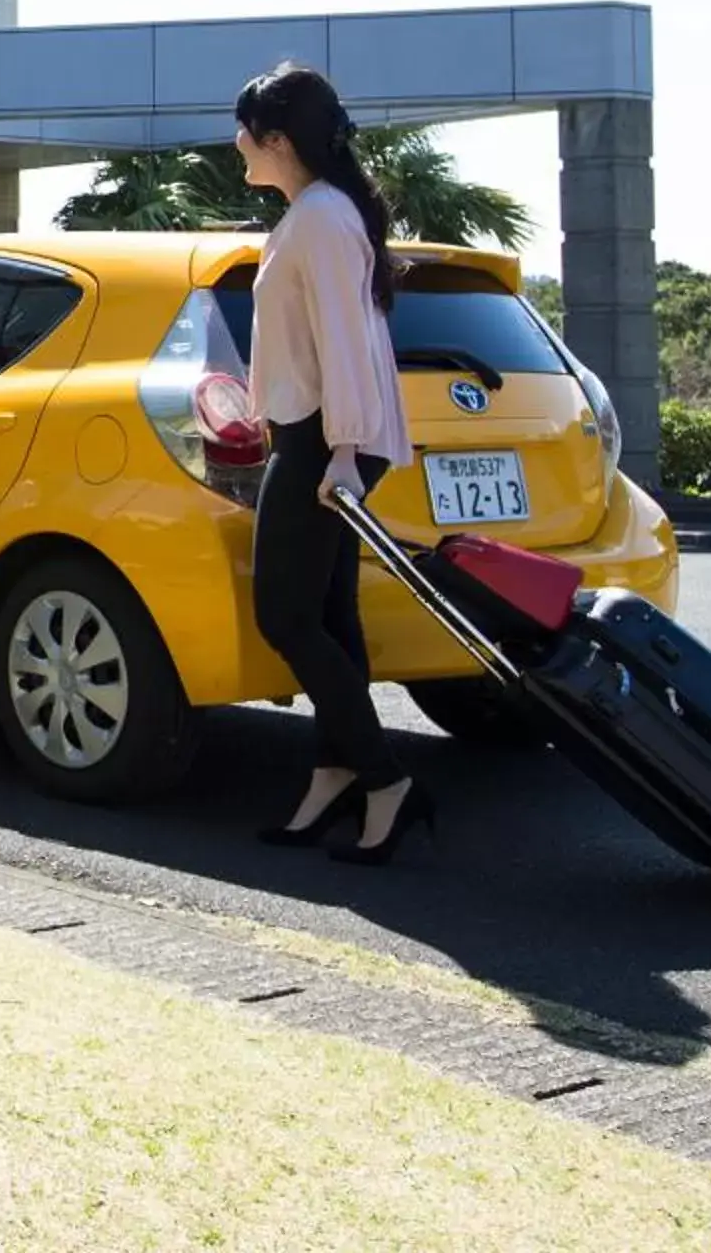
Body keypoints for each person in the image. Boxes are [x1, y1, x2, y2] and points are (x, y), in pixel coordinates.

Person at [234, 63, 433, 865]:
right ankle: (336, 771)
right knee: (330, 614)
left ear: (277, 140)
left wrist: (345, 450)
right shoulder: (316, 212)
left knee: (284, 614)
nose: (236, 143)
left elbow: (347, 341)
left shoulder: (318, 217)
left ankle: (386, 779)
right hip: (317, 432)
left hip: (323, 437)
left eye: (244, 130)